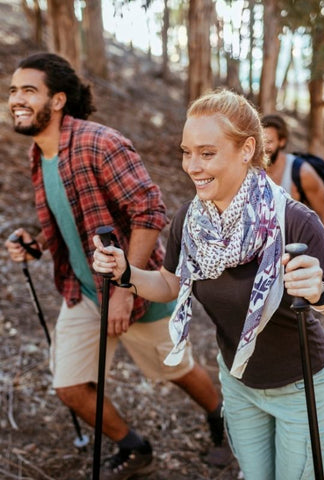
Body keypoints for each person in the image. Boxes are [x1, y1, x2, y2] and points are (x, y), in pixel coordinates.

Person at [92, 89, 324, 479]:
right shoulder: (191, 222)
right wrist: (126, 273)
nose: (192, 166)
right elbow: (170, 284)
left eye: (207, 153)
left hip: (299, 388)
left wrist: (322, 293)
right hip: (239, 383)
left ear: (246, 149)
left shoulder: (291, 220)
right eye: (186, 151)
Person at [4, 52, 225, 479]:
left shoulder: (99, 142)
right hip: (83, 291)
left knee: (177, 369)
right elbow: (73, 222)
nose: (17, 98)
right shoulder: (39, 156)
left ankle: (220, 417)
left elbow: (149, 210)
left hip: (139, 291)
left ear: (58, 100)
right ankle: (135, 447)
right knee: (70, 387)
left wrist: (125, 290)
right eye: (13, 90)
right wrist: (33, 242)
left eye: (29, 90)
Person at [261, 114, 324, 368]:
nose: (265, 146)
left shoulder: (301, 172)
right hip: (274, 248)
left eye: (270, 141)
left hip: (307, 245)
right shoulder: (255, 170)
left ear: (282, 141)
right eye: (261, 140)